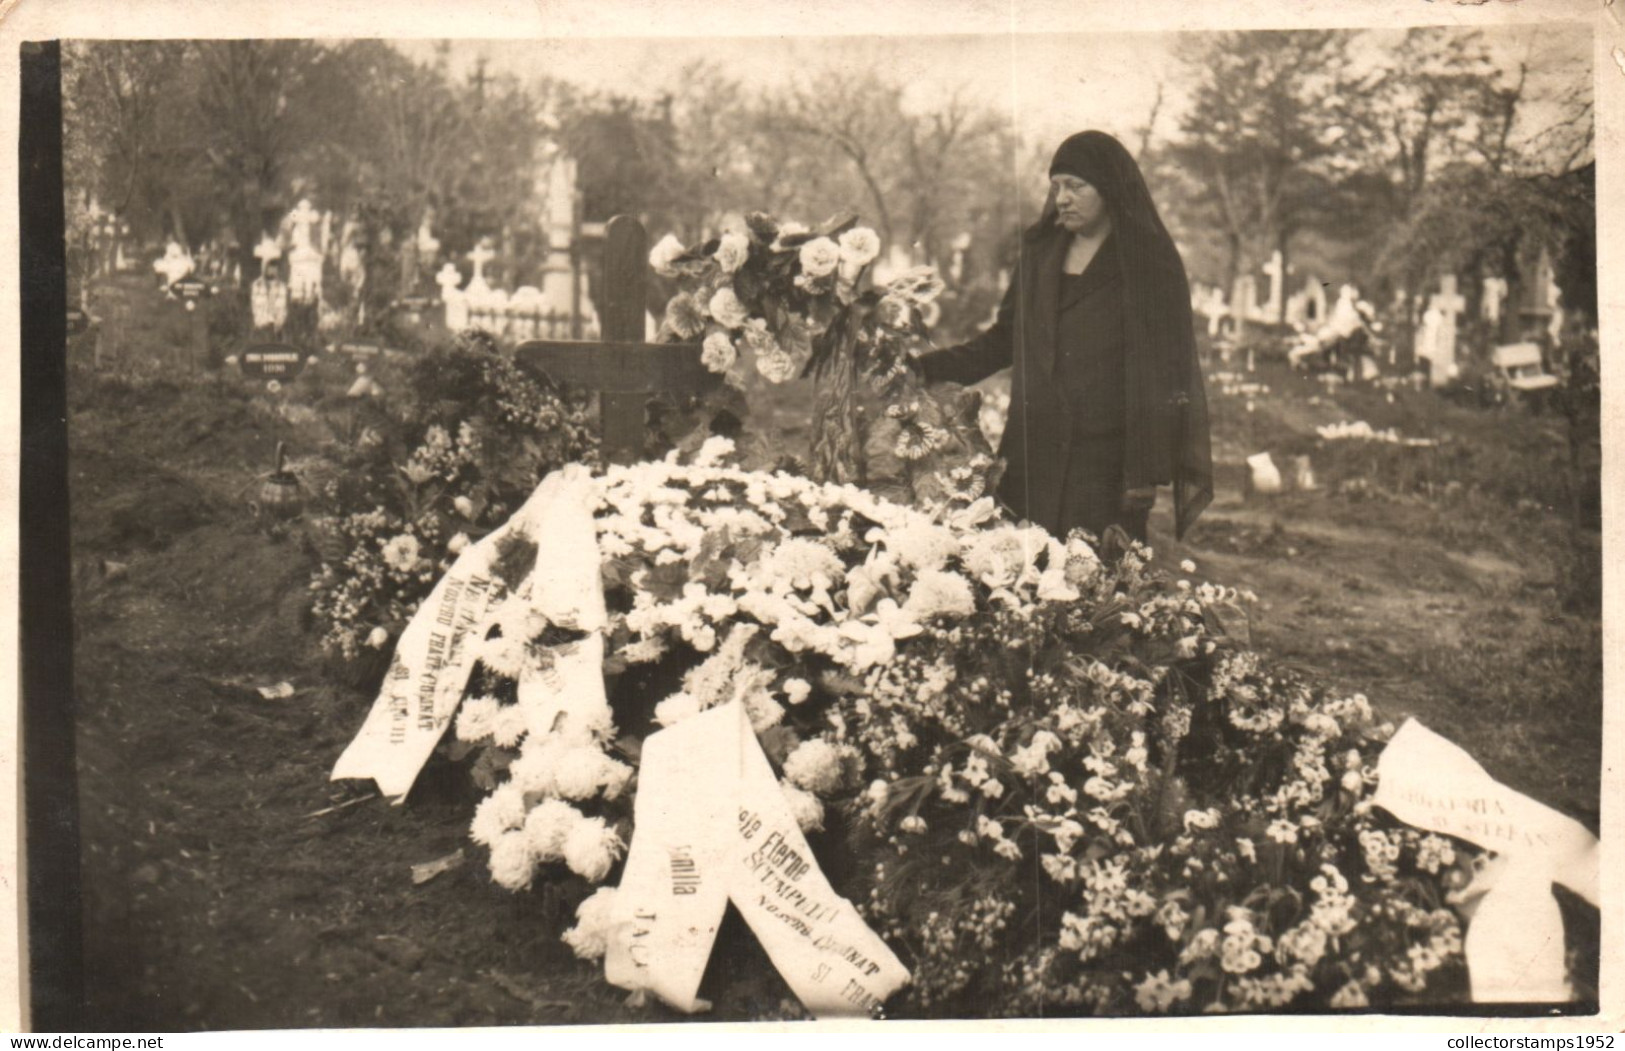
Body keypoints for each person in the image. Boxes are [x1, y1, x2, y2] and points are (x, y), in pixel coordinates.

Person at [918, 130, 1212, 544]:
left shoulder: (1148, 262)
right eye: (1056, 186)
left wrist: (1141, 473)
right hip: (1028, 457)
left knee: (1091, 592)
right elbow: (1004, 340)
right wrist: (923, 367)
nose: (1062, 198)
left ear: (1109, 188)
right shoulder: (1039, 254)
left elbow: (1164, 371)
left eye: (1076, 186)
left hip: (1103, 472)